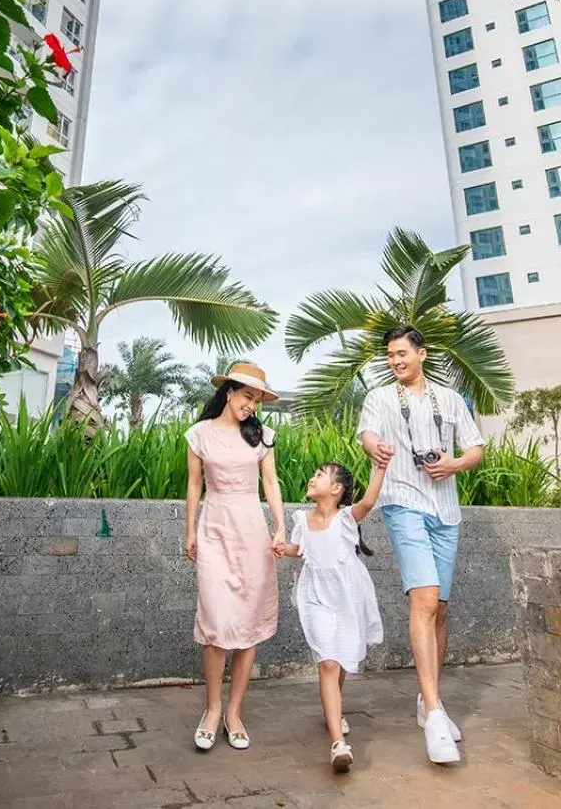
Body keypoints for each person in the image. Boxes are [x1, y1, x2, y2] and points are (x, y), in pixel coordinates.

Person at [358, 324, 485, 765]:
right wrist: (376, 448)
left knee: (441, 608)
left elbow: (475, 448)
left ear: (421, 354)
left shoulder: (449, 399)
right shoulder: (379, 397)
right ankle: (433, 714)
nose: (395, 361)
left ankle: (427, 697)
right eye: (390, 355)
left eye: (402, 353)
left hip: (446, 510)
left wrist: (453, 464)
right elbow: (368, 434)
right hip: (403, 504)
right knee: (425, 599)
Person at [184, 362, 287, 753]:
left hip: (251, 530)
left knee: (247, 621)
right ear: (228, 392)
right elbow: (194, 485)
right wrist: (190, 530)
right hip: (214, 528)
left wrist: (280, 527)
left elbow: (271, 484)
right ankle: (211, 710)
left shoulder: (262, 436)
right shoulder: (199, 435)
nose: (252, 405)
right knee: (215, 621)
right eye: (247, 396)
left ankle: (234, 713)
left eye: (257, 399)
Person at [274, 460, 386, 773]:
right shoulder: (302, 519)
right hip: (316, 597)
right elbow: (300, 549)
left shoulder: (347, 518)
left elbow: (368, 501)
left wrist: (381, 468)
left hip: (349, 597)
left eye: (320, 475)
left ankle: (333, 710)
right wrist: (281, 548)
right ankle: (338, 743)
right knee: (328, 662)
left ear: (336, 489)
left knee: (343, 657)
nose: (312, 477)